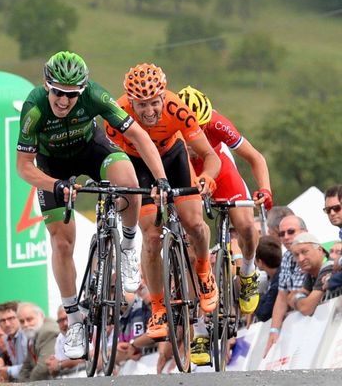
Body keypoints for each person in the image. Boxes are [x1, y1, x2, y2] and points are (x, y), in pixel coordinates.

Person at [16, 51, 169, 359]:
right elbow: (24, 167)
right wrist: (55, 185)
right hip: (52, 167)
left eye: (71, 95)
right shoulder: (34, 108)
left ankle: (127, 246)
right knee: (61, 243)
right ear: (47, 86)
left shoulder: (96, 95)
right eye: (58, 92)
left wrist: (161, 178)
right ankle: (74, 321)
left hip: (91, 149)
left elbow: (138, 135)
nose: (63, 101)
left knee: (127, 179)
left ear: (82, 91)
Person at [105, 64, 220, 347]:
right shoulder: (116, 115)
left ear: (163, 97)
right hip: (137, 163)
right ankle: (158, 307)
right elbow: (110, 159)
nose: (149, 111)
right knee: (152, 238)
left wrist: (207, 176)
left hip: (173, 155)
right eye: (141, 104)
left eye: (154, 102)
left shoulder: (177, 108)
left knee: (194, 224)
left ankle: (203, 269)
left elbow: (209, 155)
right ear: (131, 102)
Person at [178, 85, 272, 316]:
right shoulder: (166, 126)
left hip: (219, 168)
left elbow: (255, 157)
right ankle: (198, 327)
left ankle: (248, 273)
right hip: (183, 169)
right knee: (191, 253)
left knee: (247, 226)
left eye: (201, 128)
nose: (195, 136)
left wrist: (265, 189)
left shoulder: (216, 123)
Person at [263, 215, 307, 357]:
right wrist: (274, 331)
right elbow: (282, 297)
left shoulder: (311, 247)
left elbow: (297, 294)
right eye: (282, 234)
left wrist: (292, 297)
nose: (286, 237)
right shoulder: (287, 256)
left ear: (304, 231)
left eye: (291, 231)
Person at [288, 233, 333, 316]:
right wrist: (299, 299)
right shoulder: (311, 273)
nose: (301, 259)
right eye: (296, 255)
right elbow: (290, 298)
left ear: (319, 250)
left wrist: (298, 300)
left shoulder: (329, 267)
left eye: (304, 252)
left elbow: (306, 308)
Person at [16, 302, 59, 382]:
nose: (26, 324)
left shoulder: (48, 332)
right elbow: (27, 365)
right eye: (22, 321)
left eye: (29, 319)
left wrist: (29, 384)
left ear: (41, 316)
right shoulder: (33, 331)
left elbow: (43, 367)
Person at [45, 306, 85, 378]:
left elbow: (86, 358)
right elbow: (55, 370)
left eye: (67, 318)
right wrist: (52, 366)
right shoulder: (60, 337)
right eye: (61, 320)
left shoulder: (85, 330)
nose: (65, 323)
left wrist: (60, 364)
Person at [0, 301, 27, 381]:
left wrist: (8, 370)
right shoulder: (7, 338)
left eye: (11, 318)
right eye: (2, 320)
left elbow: (30, 367)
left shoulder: (26, 335)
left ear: (19, 317)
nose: (7, 324)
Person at [254, 236, 282, 322]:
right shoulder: (273, 278)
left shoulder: (278, 282)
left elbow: (263, 313)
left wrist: (253, 301)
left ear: (260, 262)